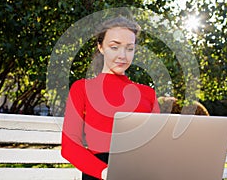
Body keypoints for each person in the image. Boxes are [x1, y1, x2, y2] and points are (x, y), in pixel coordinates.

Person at [61, 16, 160, 180]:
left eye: (129, 48)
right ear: (100, 47)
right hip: (100, 173)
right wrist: (106, 172)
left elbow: (156, 144)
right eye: (114, 47)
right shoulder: (82, 88)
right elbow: (69, 147)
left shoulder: (148, 93)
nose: (123, 55)